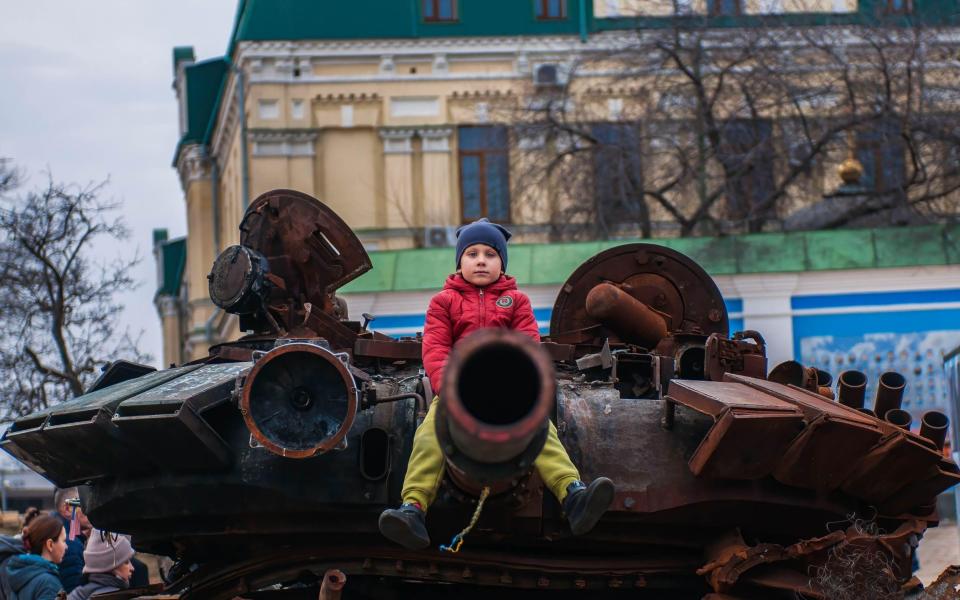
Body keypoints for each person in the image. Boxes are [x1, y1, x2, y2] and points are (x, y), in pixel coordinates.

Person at [379, 218, 615, 550]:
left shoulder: (516, 301)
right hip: (456, 391)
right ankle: (413, 508)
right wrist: (449, 389)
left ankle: (573, 494)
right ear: (459, 261)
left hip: (507, 390)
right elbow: (435, 348)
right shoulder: (443, 303)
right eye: (472, 253)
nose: (480, 260)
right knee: (430, 433)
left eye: (490, 254)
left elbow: (528, 347)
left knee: (541, 431)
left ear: (501, 263)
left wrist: (521, 387)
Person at [4, 511, 66, 599]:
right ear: (50, 545)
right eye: (63, 541)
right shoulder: (48, 583)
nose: (66, 546)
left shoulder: (20, 573)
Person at [65, 530, 134, 600]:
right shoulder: (111, 596)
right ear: (110, 566)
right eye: (126, 562)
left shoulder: (79, 593)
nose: (132, 568)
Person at [50, 490, 86, 594]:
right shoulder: (70, 546)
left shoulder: (50, 530)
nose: (90, 510)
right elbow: (74, 594)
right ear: (67, 508)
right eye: (84, 504)